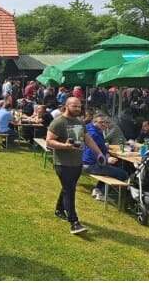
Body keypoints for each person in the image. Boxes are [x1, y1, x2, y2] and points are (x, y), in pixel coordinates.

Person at [46, 97, 105, 234]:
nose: (78, 109)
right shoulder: (58, 122)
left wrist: (99, 153)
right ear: (66, 106)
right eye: (74, 106)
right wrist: (65, 146)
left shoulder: (80, 122)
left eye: (79, 106)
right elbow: (49, 141)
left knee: (67, 187)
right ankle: (74, 222)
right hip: (63, 163)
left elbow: (88, 139)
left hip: (77, 163)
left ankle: (59, 209)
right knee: (70, 191)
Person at [82, 114, 129, 200]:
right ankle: (102, 194)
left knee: (112, 168)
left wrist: (106, 153)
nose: (104, 124)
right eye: (101, 122)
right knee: (124, 174)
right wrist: (107, 159)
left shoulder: (91, 129)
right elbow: (91, 153)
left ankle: (98, 190)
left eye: (105, 122)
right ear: (94, 122)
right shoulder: (94, 134)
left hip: (86, 163)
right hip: (90, 165)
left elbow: (100, 148)